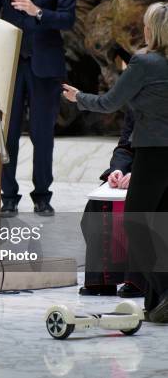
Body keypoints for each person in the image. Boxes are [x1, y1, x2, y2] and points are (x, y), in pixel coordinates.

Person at [63, 2, 168, 322]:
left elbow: (109, 103)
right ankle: (155, 303)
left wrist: (78, 97)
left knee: (137, 227)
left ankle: (163, 293)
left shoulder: (144, 62)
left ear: (151, 30)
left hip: (153, 154)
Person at [0, 0, 77, 217]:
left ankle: (42, 196)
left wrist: (38, 11)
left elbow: (68, 19)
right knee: (7, 134)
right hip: (10, 64)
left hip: (44, 66)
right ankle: (8, 197)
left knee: (41, 134)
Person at [79, 109, 146, 298]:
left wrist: (141, 174)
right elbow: (124, 147)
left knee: (143, 203)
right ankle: (102, 281)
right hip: (136, 173)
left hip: (157, 173)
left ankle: (139, 281)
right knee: (98, 204)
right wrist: (117, 170)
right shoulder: (137, 103)